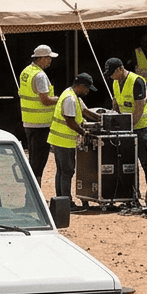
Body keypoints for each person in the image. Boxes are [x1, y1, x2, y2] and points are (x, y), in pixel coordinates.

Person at [48, 73, 103, 209]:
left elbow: (85, 111)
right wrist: (83, 132)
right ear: (80, 86)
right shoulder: (70, 99)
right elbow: (70, 121)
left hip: (59, 140)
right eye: (87, 88)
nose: (88, 91)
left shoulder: (72, 95)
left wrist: (101, 119)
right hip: (64, 141)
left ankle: (61, 201)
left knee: (62, 172)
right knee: (67, 172)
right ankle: (67, 203)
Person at [105, 56, 147, 186]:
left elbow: (139, 108)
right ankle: (133, 192)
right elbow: (116, 102)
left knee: (145, 161)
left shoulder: (137, 81)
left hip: (142, 127)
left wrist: (129, 127)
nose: (111, 77)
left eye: (112, 73)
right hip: (126, 127)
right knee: (128, 162)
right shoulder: (115, 82)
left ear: (120, 69)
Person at [18, 44, 59, 183]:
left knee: (34, 159)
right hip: (41, 124)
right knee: (39, 162)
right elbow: (45, 100)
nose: (50, 61)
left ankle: (34, 189)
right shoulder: (40, 76)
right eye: (48, 58)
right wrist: (59, 99)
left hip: (29, 122)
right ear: (40, 58)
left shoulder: (26, 71)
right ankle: (35, 190)